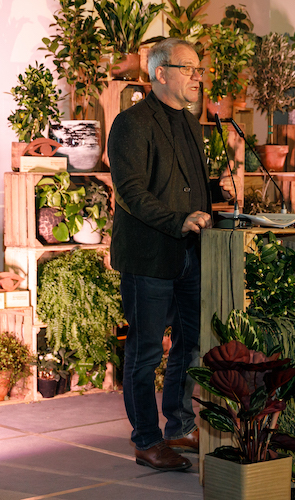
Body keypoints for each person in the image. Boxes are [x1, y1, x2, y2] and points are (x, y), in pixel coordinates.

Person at [108, 38, 237, 471]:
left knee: (191, 343)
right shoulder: (131, 123)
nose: (198, 77)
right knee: (145, 352)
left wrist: (217, 194)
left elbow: (183, 185)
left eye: (200, 70)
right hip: (149, 256)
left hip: (190, 253)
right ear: (160, 73)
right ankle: (146, 440)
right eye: (189, 69)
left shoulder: (189, 121)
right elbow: (130, 192)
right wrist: (176, 220)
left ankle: (179, 425)